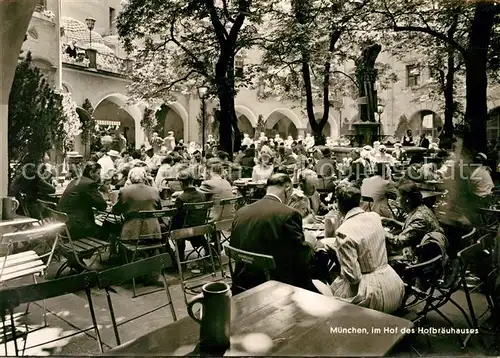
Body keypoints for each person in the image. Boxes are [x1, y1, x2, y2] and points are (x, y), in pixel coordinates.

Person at [313, 184, 405, 314]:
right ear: (359, 201)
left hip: (371, 295)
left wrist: (337, 253)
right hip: (393, 285)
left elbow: (354, 277)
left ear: (339, 204)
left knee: (322, 290)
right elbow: (362, 239)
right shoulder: (374, 217)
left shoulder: (343, 231)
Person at [230, 174, 321, 294]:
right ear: (288, 190)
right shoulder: (289, 214)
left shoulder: (241, 212)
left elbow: (234, 246)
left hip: (242, 281)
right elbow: (301, 258)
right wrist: (309, 242)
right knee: (320, 264)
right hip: (274, 285)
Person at [385, 181, 444, 262]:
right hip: (428, 255)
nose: (397, 199)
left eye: (399, 197)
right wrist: (393, 222)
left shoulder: (419, 218)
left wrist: (380, 231)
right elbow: (413, 230)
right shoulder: (422, 208)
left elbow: (397, 243)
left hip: (421, 261)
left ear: (407, 200)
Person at [112, 167, 162, 249]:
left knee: (113, 228)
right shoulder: (155, 191)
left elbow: (116, 211)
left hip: (132, 234)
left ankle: (117, 256)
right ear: (144, 178)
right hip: (153, 233)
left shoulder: (124, 191)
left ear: (130, 179)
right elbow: (159, 209)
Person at [58, 162, 107, 239]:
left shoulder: (76, 180)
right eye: (98, 173)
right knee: (105, 229)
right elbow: (102, 205)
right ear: (91, 173)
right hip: (76, 226)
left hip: (63, 222)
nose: (99, 176)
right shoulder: (90, 184)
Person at [171, 170, 207, 262]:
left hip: (186, 232)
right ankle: (210, 250)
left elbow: (176, 219)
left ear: (181, 182)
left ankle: (177, 260)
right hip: (201, 229)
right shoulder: (202, 195)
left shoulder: (181, 198)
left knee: (169, 228)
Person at [197, 158, 234, 223]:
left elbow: (194, 195)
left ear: (208, 171)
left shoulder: (208, 184)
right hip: (229, 219)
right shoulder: (227, 183)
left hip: (214, 220)